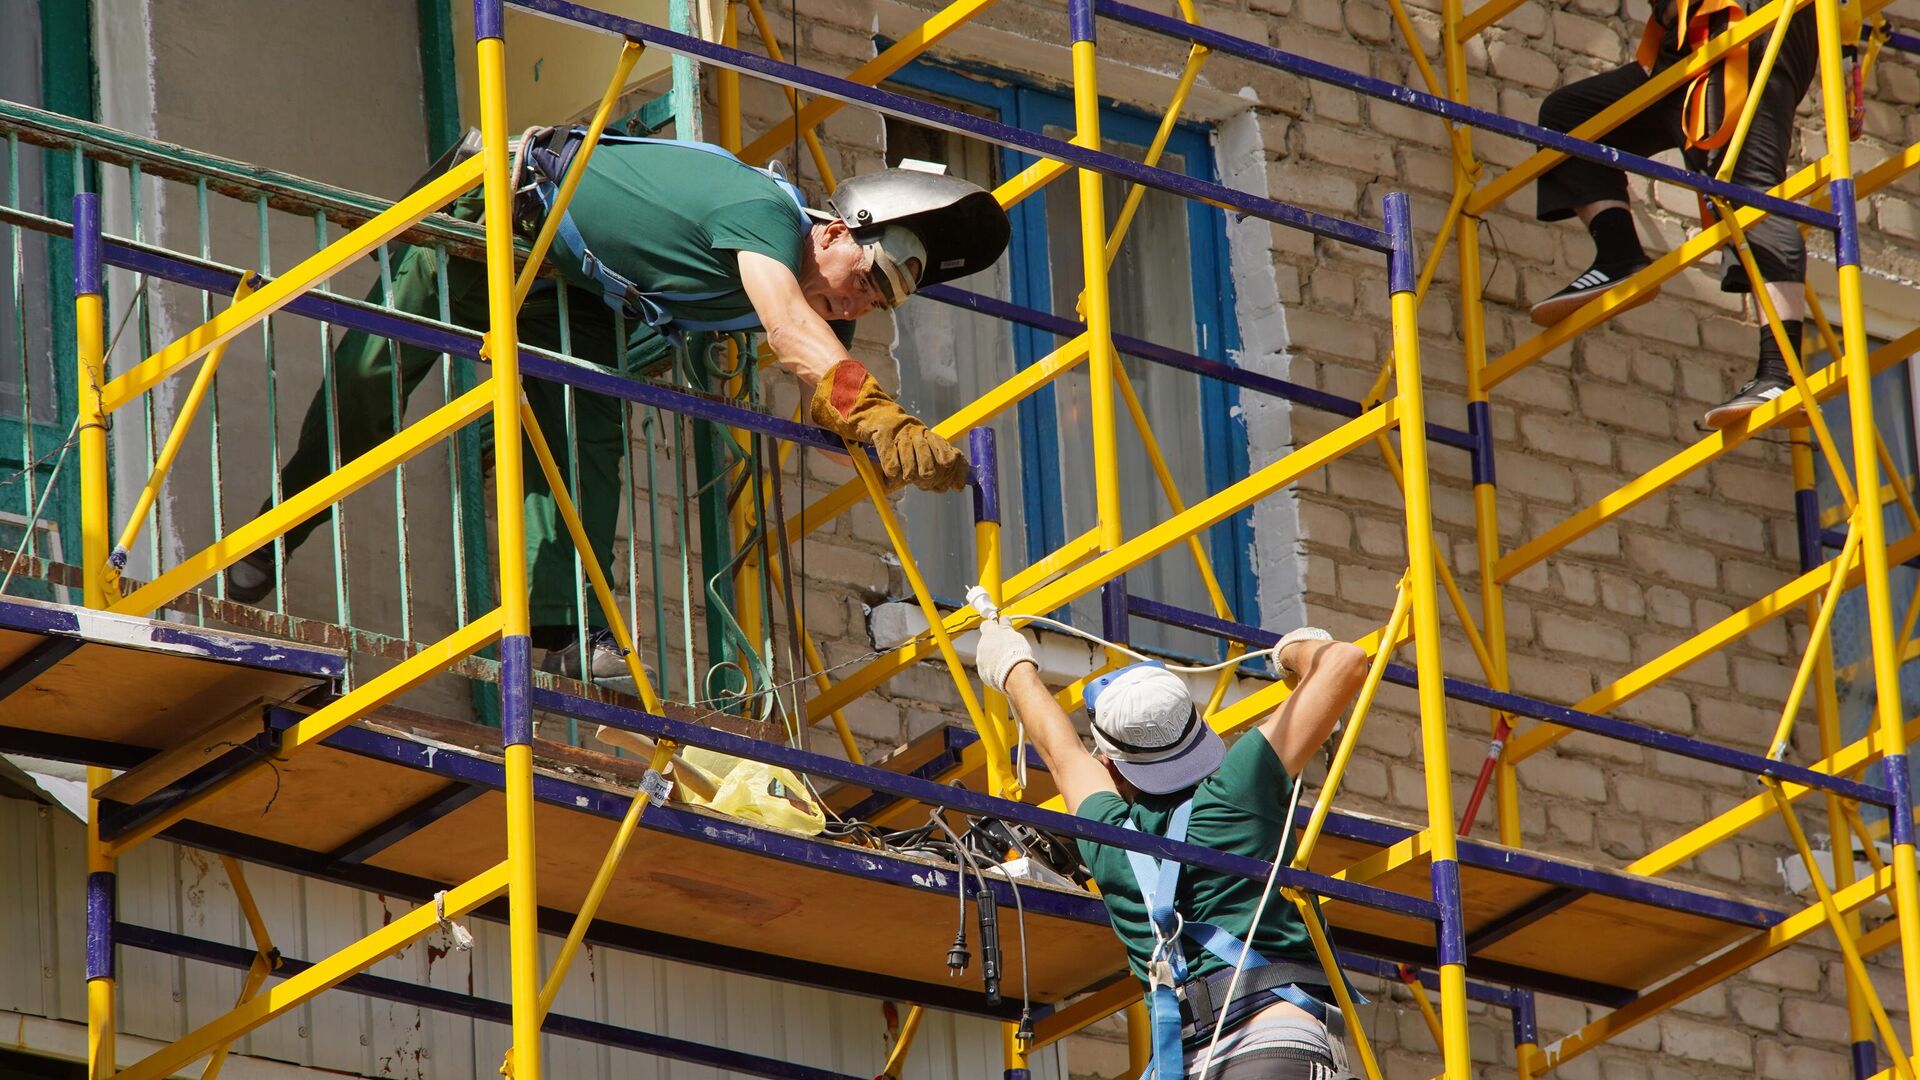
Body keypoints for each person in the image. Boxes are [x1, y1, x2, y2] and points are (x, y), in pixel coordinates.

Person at [227, 131, 1009, 678]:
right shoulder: (766, 218)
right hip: (495, 221)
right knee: (371, 383)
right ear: (836, 233)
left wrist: (869, 441)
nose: (864, 303)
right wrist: (878, 413)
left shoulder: (795, 286)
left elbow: (813, 372)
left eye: (883, 302)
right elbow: (791, 330)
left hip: (579, 293)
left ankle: (566, 627)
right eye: (869, 278)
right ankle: (278, 526)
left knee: (586, 430)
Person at [973, 619, 1370, 1078]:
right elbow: (1346, 662)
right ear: (1198, 732)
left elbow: (1062, 753)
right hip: (1275, 1042)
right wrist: (1293, 650)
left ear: (1111, 765)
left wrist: (1012, 667)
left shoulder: (1109, 835)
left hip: (1181, 1063)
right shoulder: (1238, 790)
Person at [1530, 0, 1818, 430]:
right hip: (1685, 47)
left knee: (1748, 189)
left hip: (1741, 24)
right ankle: (1618, 256)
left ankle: (1781, 373)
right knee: (1571, 118)